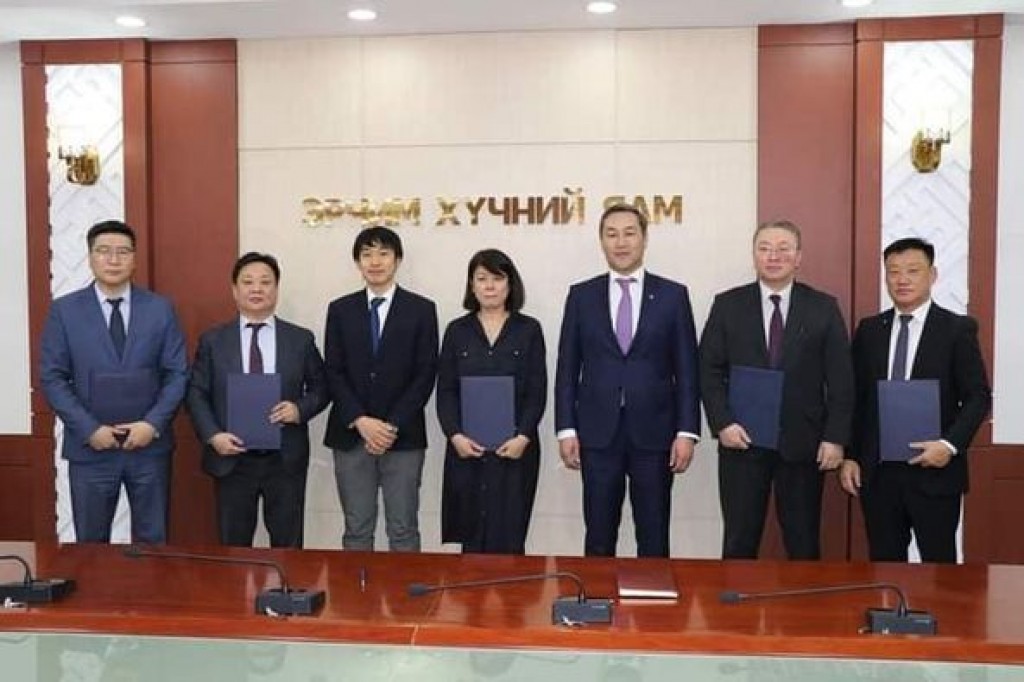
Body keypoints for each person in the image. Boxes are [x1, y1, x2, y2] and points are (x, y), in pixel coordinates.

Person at [699, 219, 854, 560]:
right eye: (765, 248)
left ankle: (804, 598)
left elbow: (841, 380)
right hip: (741, 442)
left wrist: (835, 438)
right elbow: (708, 370)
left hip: (803, 445)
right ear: (754, 255)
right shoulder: (728, 305)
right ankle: (734, 599)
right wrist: (723, 423)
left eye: (783, 249)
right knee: (739, 542)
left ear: (798, 257)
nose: (773, 256)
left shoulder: (823, 307)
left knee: (803, 542)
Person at [554, 203, 700, 557]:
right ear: (602, 241)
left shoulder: (672, 295)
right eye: (612, 234)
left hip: (656, 434)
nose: (621, 242)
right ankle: (597, 593)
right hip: (596, 434)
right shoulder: (581, 296)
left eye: (629, 233)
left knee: (653, 534)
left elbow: (687, 369)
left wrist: (687, 432)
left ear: (644, 239)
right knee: (599, 535)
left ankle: (653, 595)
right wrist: (566, 429)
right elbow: (567, 368)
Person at [841, 237, 991, 563]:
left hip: (935, 471)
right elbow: (856, 399)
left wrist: (949, 446)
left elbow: (978, 397)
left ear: (932, 275)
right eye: (893, 271)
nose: (902, 279)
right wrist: (850, 455)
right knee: (884, 566)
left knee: (939, 568)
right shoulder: (870, 330)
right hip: (879, 475)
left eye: (912, 270)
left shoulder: (956, 329)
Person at [40, 219, 188, 543]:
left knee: (153, 543)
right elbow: (52, 377)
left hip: (149, 448)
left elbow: (177, 373)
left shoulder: (160, 309)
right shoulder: (64, 311)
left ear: (134, 259)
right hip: (90, 450)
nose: (113, 259)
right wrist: (89, 429)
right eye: (104, 251)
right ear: (90, 257)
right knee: (91, 546)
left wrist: (152, 425)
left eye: (123, 252)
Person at [187, 252, 330, 547]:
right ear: (234, 290)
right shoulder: (213, 341)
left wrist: (299, 409)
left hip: (284, 459)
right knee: (233, 547)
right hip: (231, 459)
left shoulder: (300, 339)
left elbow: (323, 387)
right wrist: (213, 436)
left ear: (276, 289)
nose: (257, 289)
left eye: (265, 282)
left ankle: (288, 582)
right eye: (248, 282)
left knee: (289, 546)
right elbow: (196, 392)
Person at [323, 226, 439, 552]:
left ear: (397, 260)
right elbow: (333, 370)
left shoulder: (421, 309)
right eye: (367, 254)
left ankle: (406, 590)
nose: (375, 262)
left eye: (383, 253)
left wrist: (390, 426)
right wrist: (361, 420)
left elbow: (425, 373)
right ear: (357, 262)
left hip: (402, 436)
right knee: (356, 529)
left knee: (403, 529)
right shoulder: (340, 309)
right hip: (351, 435)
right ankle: (357, 589)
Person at [436, 249, 547, 554]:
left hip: (515, 450)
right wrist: (455, 436)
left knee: (511, 536)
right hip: (467, 450)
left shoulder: (529, 330)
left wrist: (523, 436)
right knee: (471, 536)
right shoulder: (457, 331)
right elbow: (445, 390)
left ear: (510, 284)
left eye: (497, 278)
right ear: (471, 285)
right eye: (481, 278)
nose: (489, 286)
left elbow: (537, 390)